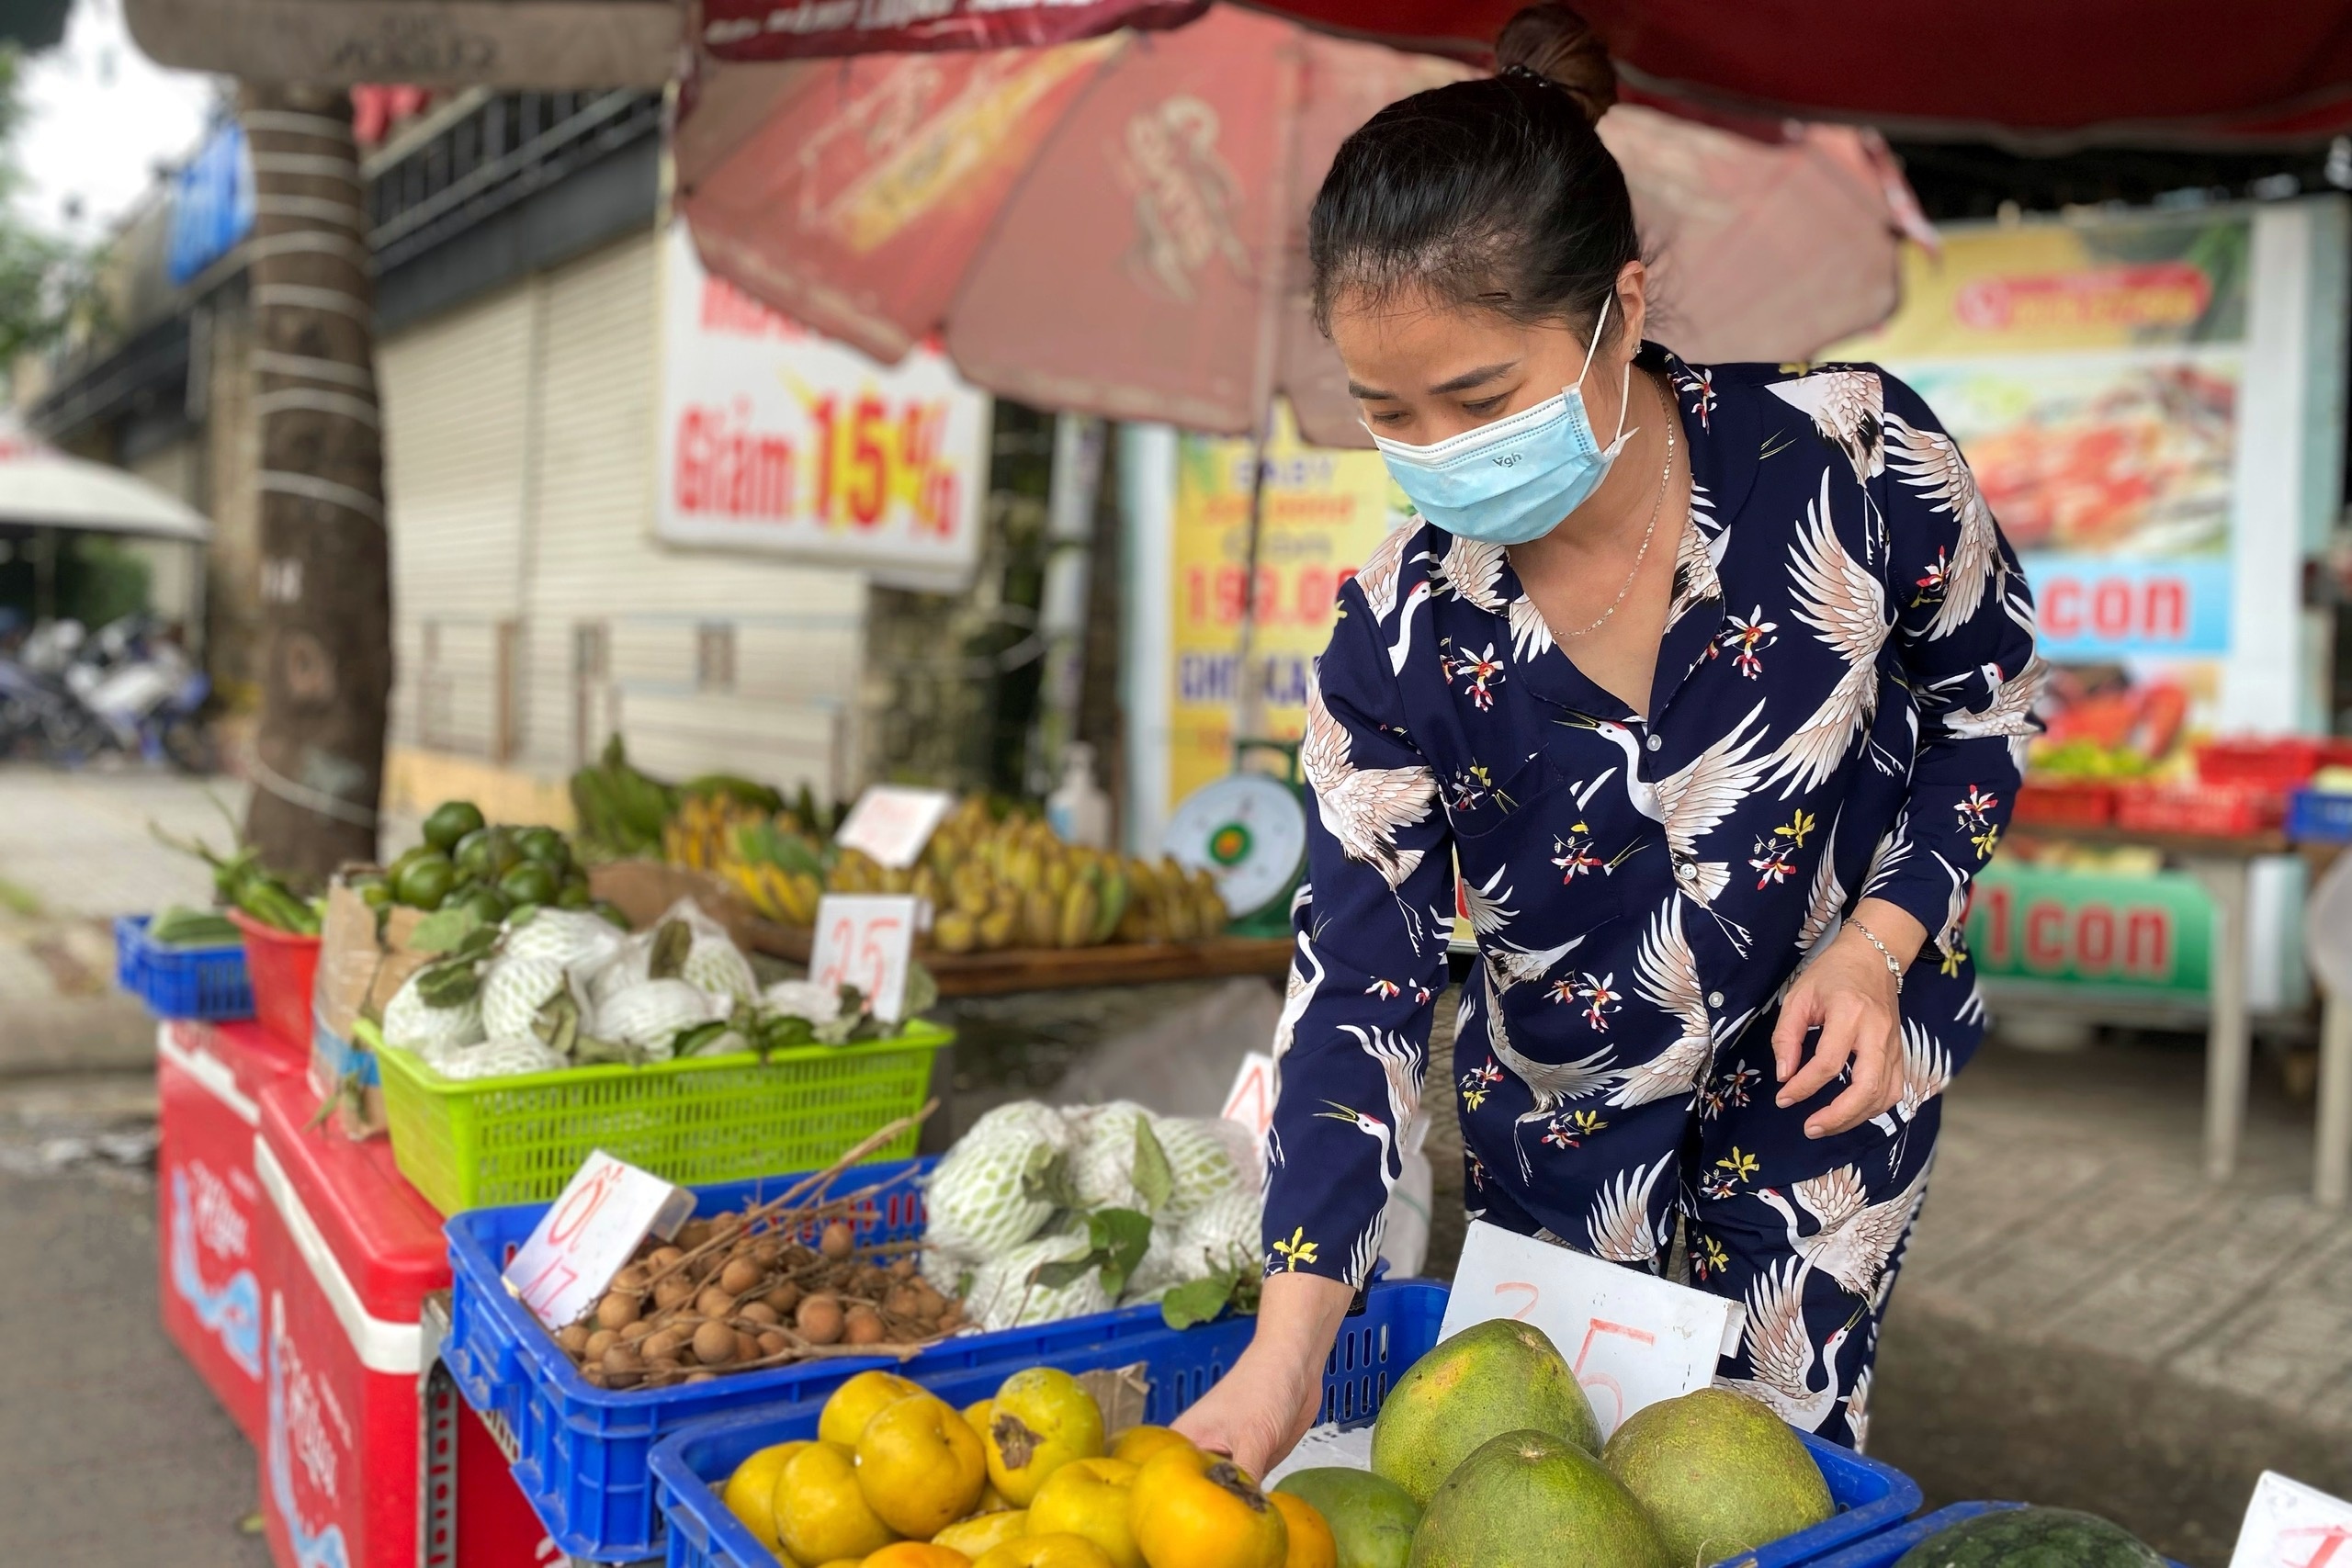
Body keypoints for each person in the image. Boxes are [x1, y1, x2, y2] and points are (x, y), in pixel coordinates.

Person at [1171, 4, 2041, 1478]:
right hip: (1561, 1151)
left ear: (1619, 312)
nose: (1439, 451)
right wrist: (1286, 1352)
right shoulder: (1397, 635)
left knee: (1764, 1493)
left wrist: (1879, 943)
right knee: (1543, 1490)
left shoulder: (1848, 462)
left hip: (1828, 1104)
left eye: (1479, 399)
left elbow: (1987, 704)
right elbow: (1357, 994)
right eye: (1387, 413)